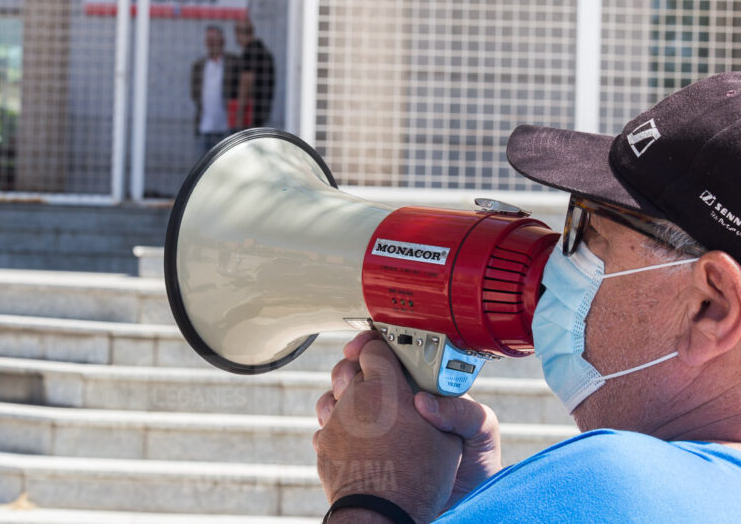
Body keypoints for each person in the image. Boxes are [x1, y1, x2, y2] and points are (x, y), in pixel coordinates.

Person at [314, 72, 741, 522]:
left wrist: (371, 496)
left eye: (588, 231)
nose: (552, 260)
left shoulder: (616, 482)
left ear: (711, 307)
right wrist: (480, 506)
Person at [190, 25, 239, 154]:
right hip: (204, 127)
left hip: (227, 127)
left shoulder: (233, 62)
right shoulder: (199, 66)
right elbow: (195, 93)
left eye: (214, 39)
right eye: (209, 39)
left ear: (222, 40)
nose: (212, 42)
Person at [232, 18, 275, 129]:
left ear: (238, 33)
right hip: (260, 113)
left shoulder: (250, 51)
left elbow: (246, 83)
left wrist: (240, 114)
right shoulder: (264, 51)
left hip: (249, 116)